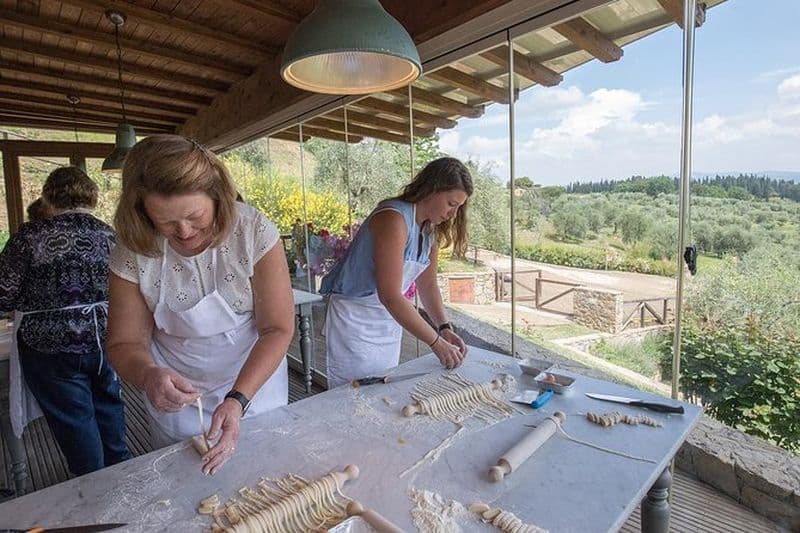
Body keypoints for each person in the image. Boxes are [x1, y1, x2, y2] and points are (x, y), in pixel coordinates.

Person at [106, 135, 294, 476]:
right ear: (142, 212)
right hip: (176, 401)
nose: (183, 231)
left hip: (254, 390)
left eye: (194, 216)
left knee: (266, 480)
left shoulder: (252, 231)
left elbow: (277, 328)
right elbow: (124, 343)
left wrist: (238, 399)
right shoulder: (132, 249)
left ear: (217, 197)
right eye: (165, 221)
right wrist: (149, 376)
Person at [0, 166, 132, 476]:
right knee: (110, 406)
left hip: (50, 345)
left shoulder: (30, 236)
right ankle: (123, 474)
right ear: (92, 197)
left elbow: (3, 293)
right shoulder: (109, 235)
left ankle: (92, 486)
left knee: (75, 418)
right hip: (107, 337)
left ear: (48, 197)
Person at [320, 157, 472, 388]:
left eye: (458, 207)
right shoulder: (393, 218)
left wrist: (444, 327)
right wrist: (436, 343)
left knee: (381, 389)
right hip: (355, 319)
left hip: (388, 320)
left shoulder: (429, 230)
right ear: (431, 189)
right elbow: (390, 295)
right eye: (451, 203)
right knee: (353, 393)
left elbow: (428, 285)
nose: (452, 214)